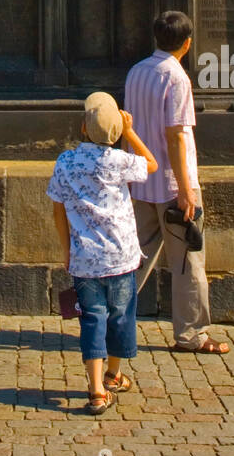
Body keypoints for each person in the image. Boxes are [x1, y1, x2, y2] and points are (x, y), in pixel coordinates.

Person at [125, 9, 229, 355]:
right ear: (187, 43)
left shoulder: (135, 72)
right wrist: (186, 191)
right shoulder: (177, 77)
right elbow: (175, 137)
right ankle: (192, 335)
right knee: (187, 261)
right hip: (171, 185)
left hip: (141, 180)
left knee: (131, 259)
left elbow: (128, 129)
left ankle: (104, 319)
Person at [47, 92, 158, 415]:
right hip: (122, 256)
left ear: (83, 128)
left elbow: (58, 210)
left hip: (84, 258)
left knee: (92, 318)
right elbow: (151, 164)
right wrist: (131, 132)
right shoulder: (119, 161)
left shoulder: (66, 162)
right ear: (116, 132)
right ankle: (113, 374)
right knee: (121, 315)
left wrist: (66, 250)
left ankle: (96, 390)